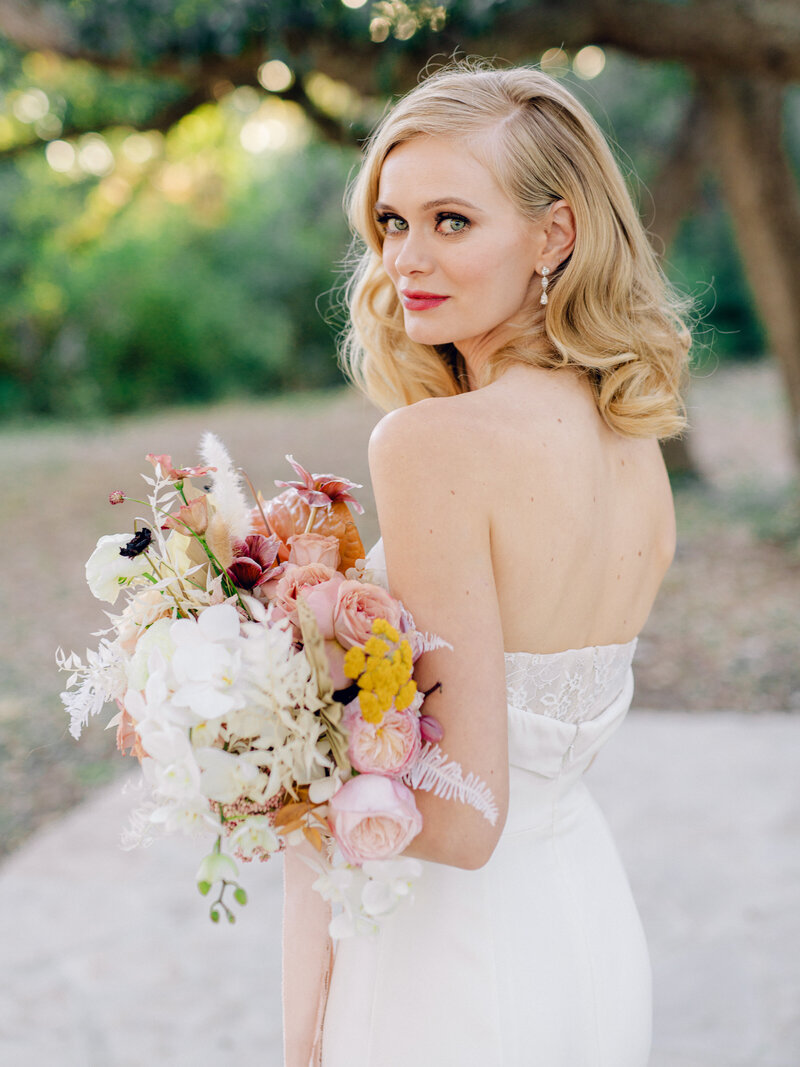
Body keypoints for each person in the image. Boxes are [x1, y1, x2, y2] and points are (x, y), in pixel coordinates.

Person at [288, 60, 690, 1067]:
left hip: (454, 962)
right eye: (391, 222)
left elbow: (462, 815)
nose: (402, 260)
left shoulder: (431, 445)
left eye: (450, 221)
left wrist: (251, 745)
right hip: (583, 928)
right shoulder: (627, 441)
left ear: (552, 234)